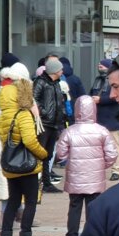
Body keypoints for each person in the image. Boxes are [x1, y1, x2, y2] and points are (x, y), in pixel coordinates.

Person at [54, 95, 118, 236]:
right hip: (95, 178)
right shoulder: (101, 131)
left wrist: (70, 160)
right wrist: (101, 166)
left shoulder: (70, 131)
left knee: (74, 207)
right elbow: (112, 154)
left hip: (75, 177)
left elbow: (60, 154)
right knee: (94, 208)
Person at [0, 72, 49, 236]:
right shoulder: (23, 114)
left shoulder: (2, 117)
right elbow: (29, 141)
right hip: (27, 166)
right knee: (31, 201)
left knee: (13, 201)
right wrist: (43, 154)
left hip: (10, 165)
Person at [33, 57, 67, 193]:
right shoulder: (40, 82)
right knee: (40, 154)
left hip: (54, 124)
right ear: (55, 70)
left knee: (47, 155)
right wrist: (45, 112)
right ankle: (37, 184)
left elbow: (60, 102)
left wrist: (62, 116)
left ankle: (46, 183)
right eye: (60, 69)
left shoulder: (56, 83)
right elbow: (34, 100)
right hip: (44, 124)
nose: (62, 71)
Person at [89, 59, 119, 181]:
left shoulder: (115, 80)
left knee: (114, 146)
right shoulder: (98, 80)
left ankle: (116, 171)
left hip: (112, 118)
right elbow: (92, 92)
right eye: (99, 65)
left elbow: (116, 96)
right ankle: (98, 170)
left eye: (102, 66)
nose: (100, 67)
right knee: (98, 147)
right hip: (98, 118)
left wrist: (100, 100)